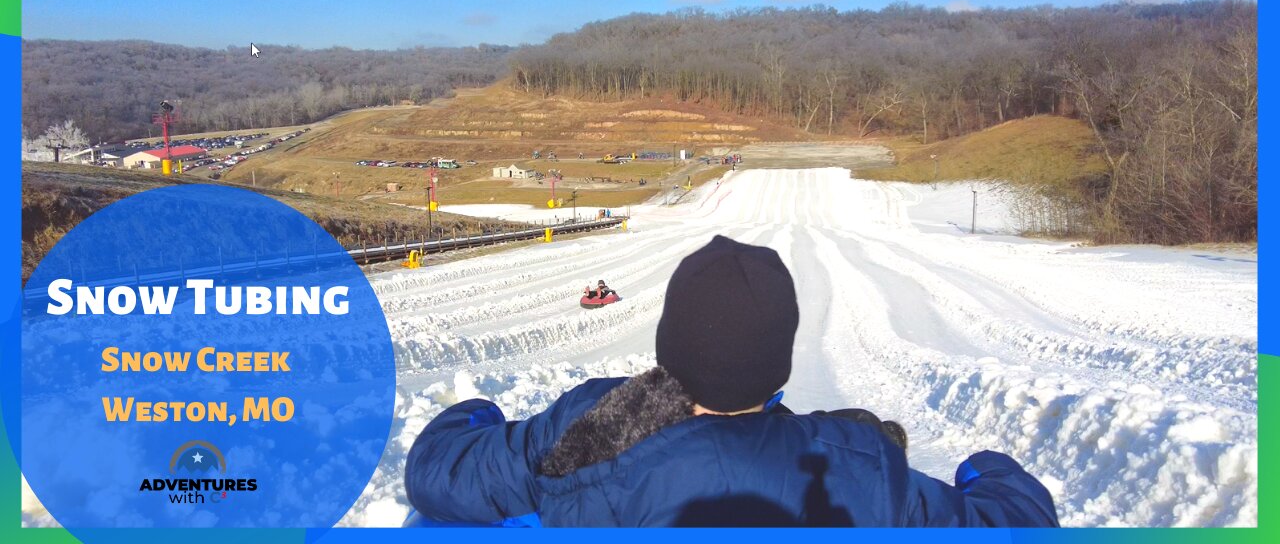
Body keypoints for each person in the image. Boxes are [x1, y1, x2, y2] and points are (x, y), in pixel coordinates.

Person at [405, 235, 1060, 527]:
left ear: (669, 350)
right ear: (777, 364)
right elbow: (1017, 524)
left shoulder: (594, 425)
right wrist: (989, 468)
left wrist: (471, 412)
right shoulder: (852, 467)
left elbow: (437, 475)